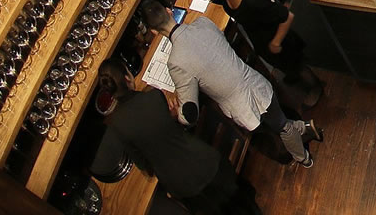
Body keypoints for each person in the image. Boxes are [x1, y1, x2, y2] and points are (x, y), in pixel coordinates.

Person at [140, 2, 320, 168]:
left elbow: (190, 115)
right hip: (257, 84)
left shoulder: (176, 63)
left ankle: (303, 158)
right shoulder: (203, 22)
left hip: (243, 109)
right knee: (277, 120)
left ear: (154, 32)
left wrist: (176, 113)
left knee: (281, 127)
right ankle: (303, 128)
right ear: (169, 11)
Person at [91, 60, 257, 214]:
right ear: (127, 78)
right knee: (243, 202)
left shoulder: (117, 125)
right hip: (204, 161)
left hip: (181, 186)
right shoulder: (153, 96)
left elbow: (145, 166)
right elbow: (171, 128)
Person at [189, 0, 322, 107]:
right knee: (286, 66)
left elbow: (286, 16)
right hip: (261, 39)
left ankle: (315, 87)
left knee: (296, 65)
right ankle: (293, 75)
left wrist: (276, 42)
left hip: (275, 38)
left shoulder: (252, 2)